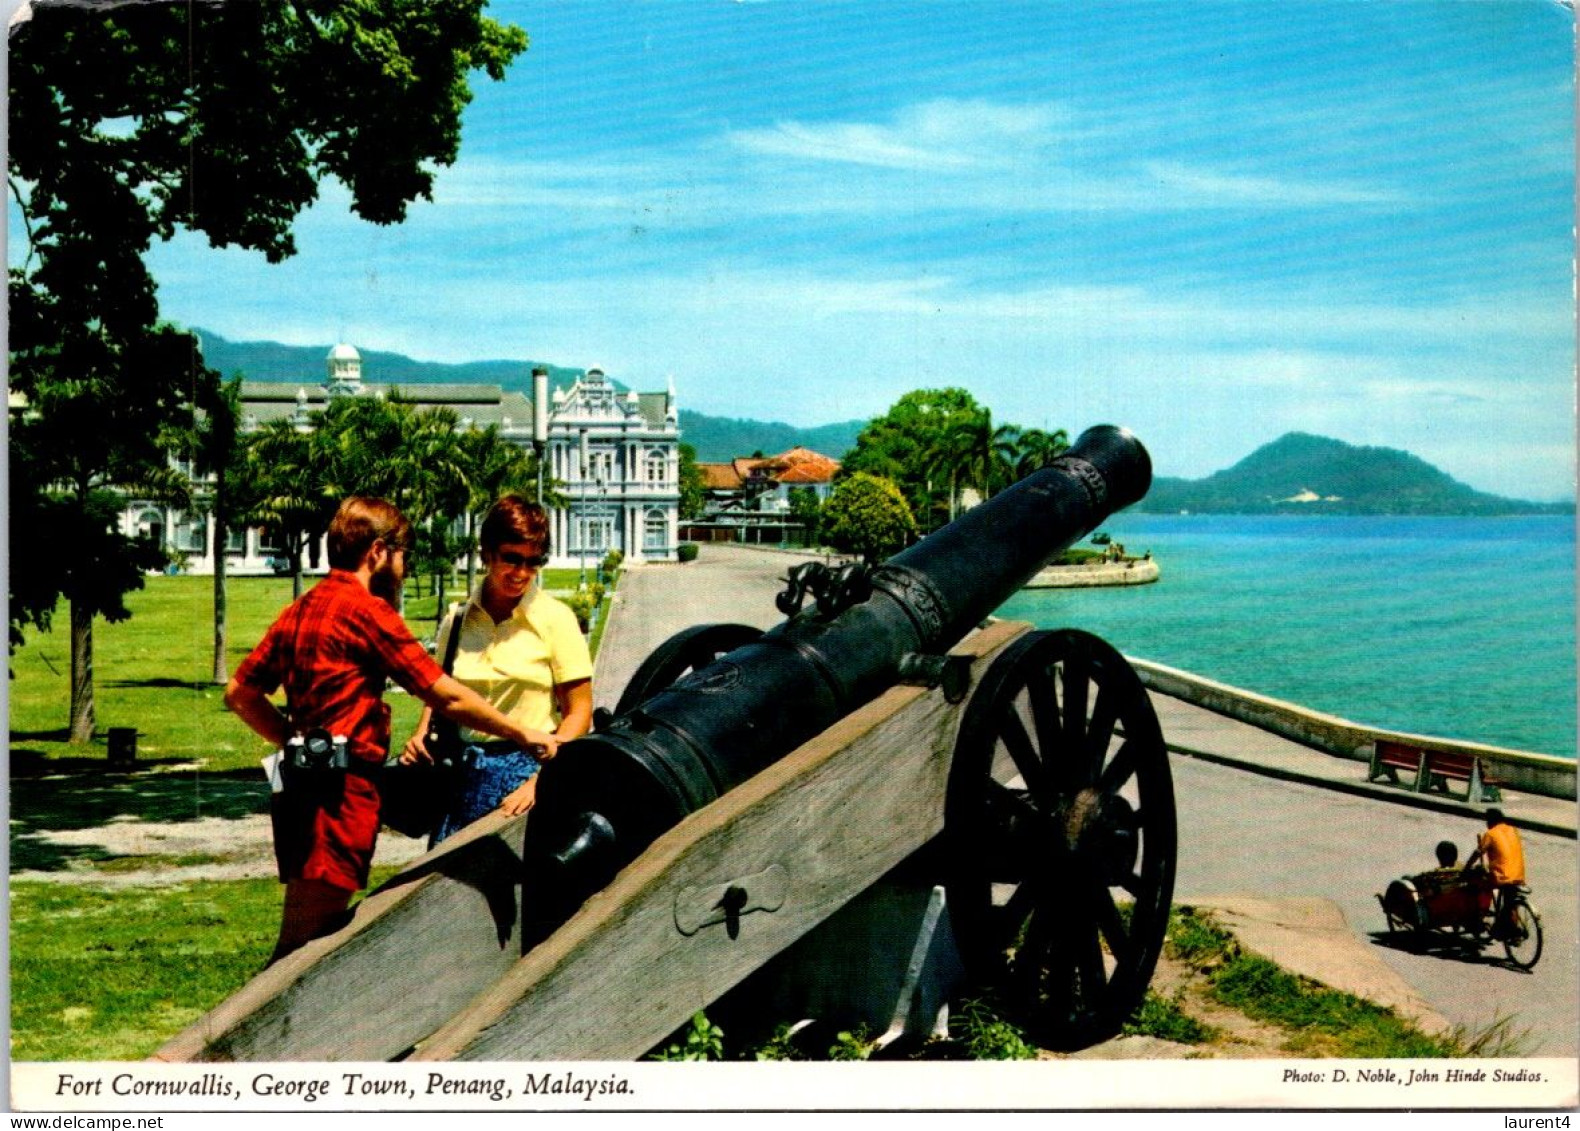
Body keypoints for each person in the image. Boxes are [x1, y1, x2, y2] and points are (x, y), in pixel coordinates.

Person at [224, 496, 561, 964]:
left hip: (299, 781)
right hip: (341, 790)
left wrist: (293, 741)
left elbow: (240, 693)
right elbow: (446, 694)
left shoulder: (301, 609)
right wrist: (523, 733)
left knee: (303, 922)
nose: (403, 568)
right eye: (402, 556)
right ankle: (263, 1034)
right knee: (309, 944)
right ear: (379, 552)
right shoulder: (367, 611)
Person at [402, 495, 593, 846]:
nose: (521, 573)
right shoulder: (456, 621)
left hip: (525, 774)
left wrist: (543, 780)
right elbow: (439, 691)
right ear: (487, 553)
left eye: (532, 562)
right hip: (460, 774)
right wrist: (421, 734)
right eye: (511, 559)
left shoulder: (556, 620)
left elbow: (579, 712)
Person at [1463, 808, 1527, 938]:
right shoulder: (1513, 830)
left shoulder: (1491, 834)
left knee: (1479, 886)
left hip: (1502, 876)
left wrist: (1467, 868)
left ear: (1491, 821)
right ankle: (1511, 928)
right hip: (1518, 874)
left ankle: (1479, 920)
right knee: (1510, 900)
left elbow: (1478, 852)